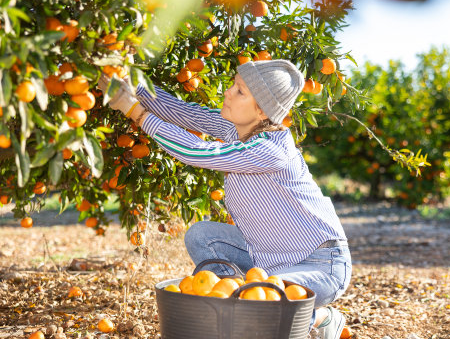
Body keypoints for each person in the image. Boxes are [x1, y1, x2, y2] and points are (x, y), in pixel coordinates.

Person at [98, 59, 351, 339]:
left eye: (240, 91)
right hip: (268, 261)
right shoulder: (238, 131)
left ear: (262, 110)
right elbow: (185, 113)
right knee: (202, 235)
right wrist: (130, 81)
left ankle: (320, 318)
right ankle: (237, 305)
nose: (228, 92)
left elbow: (196, 152)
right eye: (233, 85)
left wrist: (135, 111)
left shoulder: (270, 150)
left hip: (321, 264)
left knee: (262, 301)